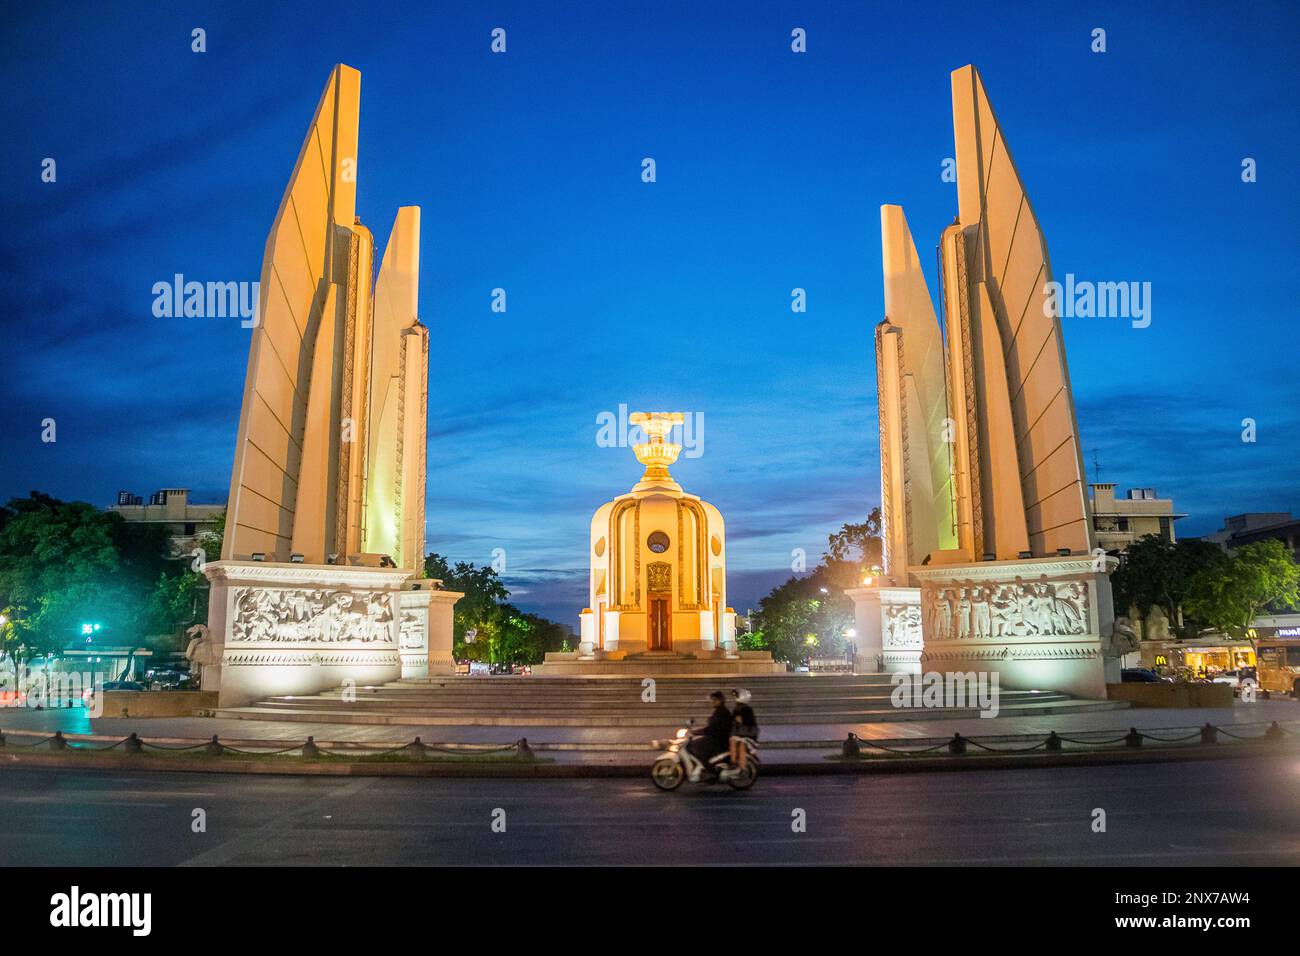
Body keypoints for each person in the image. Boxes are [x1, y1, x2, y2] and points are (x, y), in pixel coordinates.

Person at [687, 690, 732, 782]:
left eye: (715, 700)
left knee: (697, 745)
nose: (713, 701)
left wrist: (698, 732)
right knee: (698, 743)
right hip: (716, 738)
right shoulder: (719, 711)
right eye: (712, 700)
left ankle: (709, 771)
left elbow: (713, 729)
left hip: (719, 740)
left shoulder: (722, 712)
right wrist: (699, 731)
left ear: (720, 700)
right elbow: (711, 728)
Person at [723, 688, 759, 778]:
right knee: (735, 742)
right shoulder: (742, 708)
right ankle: (735, 764)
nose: (735, 698)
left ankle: (736, 765)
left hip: (745, 734)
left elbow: (739, 721)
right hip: (743, 734)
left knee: (739, 744)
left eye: (737, 696)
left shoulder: (742, 708)